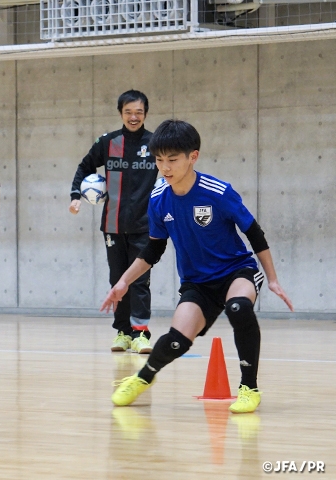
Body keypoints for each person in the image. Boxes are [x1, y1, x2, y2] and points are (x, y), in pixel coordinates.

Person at [101, 119, 294, 413]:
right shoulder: (158, 200)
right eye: (159, 160)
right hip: (197, 284)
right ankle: (142, 379)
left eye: (172, 159)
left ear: (193, 156)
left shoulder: (217, 192)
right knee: (175, 342)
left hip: (236, 272)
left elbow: (254, 232)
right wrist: (123, 282)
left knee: (239, 308)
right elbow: (153, 249)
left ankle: (249, 388)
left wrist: (273, 279)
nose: (165, 167)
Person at [70, 90, 157, 354]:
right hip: (113, 226)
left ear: (145, 114)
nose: (134, 117)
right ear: (121, 113)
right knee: (117, 279)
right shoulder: (108, 142)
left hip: (145, 226)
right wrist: (76, 195)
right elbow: (84, 166)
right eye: (129, 112)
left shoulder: (155, 144)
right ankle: (122, 332)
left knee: (139, 281)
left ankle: (141, 333)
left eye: (139, 112)